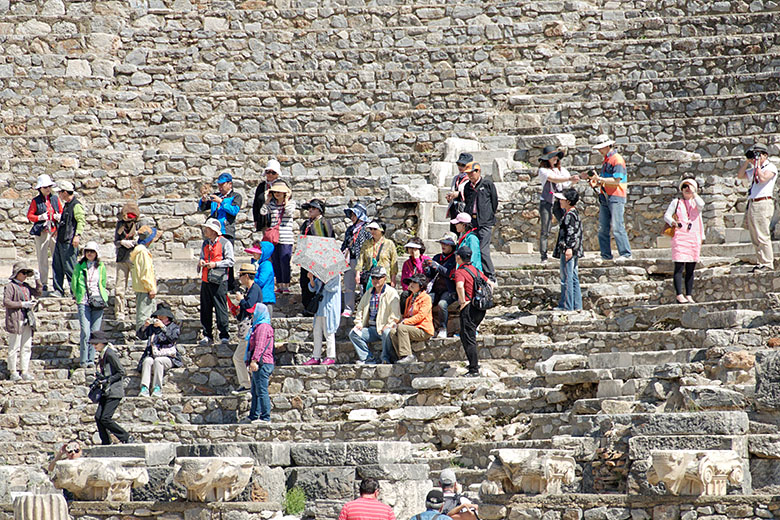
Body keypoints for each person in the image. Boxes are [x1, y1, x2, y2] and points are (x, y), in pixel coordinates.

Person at [590, 134, 632, 261]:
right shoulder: (607, 160)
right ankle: (605, 255)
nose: (599, 150)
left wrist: (600, 179)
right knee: (603, 227)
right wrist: (597, 182)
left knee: (617, 225)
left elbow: (616, 180)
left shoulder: (617, 159)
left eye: (601, 147)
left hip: (616, 196)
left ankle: (625, 254)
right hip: (606, 196)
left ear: (608, 146)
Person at [199, 172, 242, 292]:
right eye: (219, 185)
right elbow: (202, 208)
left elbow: (234, 211)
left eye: (223, 184)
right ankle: (212, 279)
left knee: (227, 257)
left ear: (230, 184)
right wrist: (203, 201)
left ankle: (230, 285)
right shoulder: (215, 196)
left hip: (226, 231)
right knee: (212, 256)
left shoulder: (236, 196)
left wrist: (221, 202)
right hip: (214, 231)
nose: (220, 187)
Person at [664, 179, 705, 303]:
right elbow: (667, 215)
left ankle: (689, 294)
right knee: (679, 265)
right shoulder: (676, 202)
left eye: (690, 186)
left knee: (691, 267)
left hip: (693, 237)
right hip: (680, 236)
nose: (687, 189)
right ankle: (679, 294)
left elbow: (702, 204)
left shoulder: (696, 203)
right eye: (685, 187)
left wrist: (694, 193)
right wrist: (673, 222)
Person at [349, 266, 400, 365]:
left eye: (378, 278)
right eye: (373, 278)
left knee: (387, 332)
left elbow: (395, 313)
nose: (375, 280)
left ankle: (385, 358)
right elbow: (360, 308)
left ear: (385, 278)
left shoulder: (391, 292)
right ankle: (368, 358)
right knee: (353, 333)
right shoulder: (369, 292)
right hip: (371, 329)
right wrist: (358, 323)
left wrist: (389, 324)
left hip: (384, 327)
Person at [738, 143, 777, 272]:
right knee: (754, 236)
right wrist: (747, 161)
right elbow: (740, 175)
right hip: (752, 203)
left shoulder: (770, 167)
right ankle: (760, 262)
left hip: (763, 202)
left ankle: (767, 263)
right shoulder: (755, 167)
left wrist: (757, 165)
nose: (756, 158)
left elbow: (762, 178)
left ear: (765, 155)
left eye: (758, 154)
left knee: (762, 235)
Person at [538, 146, 579, 262]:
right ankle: (543, 256)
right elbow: (554, 179)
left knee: (565, 225)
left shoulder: (562, 170)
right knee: (545, 229)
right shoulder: (543, 170)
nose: (555, 159)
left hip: (559, 201)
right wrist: (570, 178)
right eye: (553, 156)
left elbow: (565, 185)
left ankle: (563, 250)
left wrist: (573, 180)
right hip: (547, 201)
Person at [71, 241, 109, 368]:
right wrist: (77, 295)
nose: (89, 253)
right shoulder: (79, 266)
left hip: (98, 301)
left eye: (92, 251)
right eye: (87, 251)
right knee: (85, 331)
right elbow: (74, 283)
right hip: (84, 301)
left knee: (95, 332)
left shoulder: (101, 266)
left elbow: (103, 282)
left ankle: (91, 360)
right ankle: (83, 359)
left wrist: (103, 296)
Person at [198, 218, 235, 346]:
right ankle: (207, 334)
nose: (205, 231)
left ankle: (224, 335)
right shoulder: (205, 243)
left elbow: (230, 261)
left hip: (219, 280)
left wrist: (216, 264)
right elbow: (202, 256)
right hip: (206, 279)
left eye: (207, 229)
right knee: (205, 308)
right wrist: (201, 262)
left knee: (220, 307)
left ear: (214, 231)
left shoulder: (225, 243)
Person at [91, 331, 132, 445]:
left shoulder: (109, 354)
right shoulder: (103, 354)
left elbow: (121, 371)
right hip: (106, 391)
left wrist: (108, 379)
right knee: (98, 417)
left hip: (114, 391)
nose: (94, 346)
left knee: (105, 418)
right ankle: (105, 442)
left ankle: (125, 437)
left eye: (96, 344)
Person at [454, 246, 488, 377]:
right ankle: (472, 364)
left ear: (459, 257)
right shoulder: (476, 270)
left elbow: (459, 286)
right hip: (480, 308)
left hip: (469, 307)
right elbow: (489, 283)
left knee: (469, 338)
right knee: (466, 335)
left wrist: (463, 302)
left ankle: (474, 369)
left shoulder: (460, 272)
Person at [4, 262, 41, 381]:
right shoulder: (10, 286)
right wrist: (22, 304)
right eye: (23, 272)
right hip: (16, 319)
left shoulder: (26, 286)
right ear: (17, 273)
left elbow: (38, 293)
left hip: (27, 319)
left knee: (26, 346)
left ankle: (24, 370)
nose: (25, 275)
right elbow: (7, 302)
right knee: (14, 346)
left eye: (26, 273)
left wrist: (37, 280)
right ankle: (13, 371)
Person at [463, 162, 498, 281]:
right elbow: (467, 202)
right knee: (472, 249)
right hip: (472, 223)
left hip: (485, 223)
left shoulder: (487, 184)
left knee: (483, 250)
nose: (470, 176)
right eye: (468, 174)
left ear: (478, 171)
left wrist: (487, 216)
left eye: (472, 173)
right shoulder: (467, 187)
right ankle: (475, 274)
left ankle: (490, 275)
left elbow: (494, 202)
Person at [27, 174, 62, 294]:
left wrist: (58, 217)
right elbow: (30, 216)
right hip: (42, 232)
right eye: (45, 187)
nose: (48, 189)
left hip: (54, 231)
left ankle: (58, 283)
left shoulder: (55, 199)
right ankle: (44, 283)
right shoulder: (35, 201)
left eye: (49, 187)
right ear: (40, 188)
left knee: (56, 258)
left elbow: (61, 211)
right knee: (42, 258)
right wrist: (39, 218)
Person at [387, 273, 433, 364]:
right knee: (392, 332)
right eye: (410, 282)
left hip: (423, 329)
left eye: (414, 282)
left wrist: (405, 322)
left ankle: (408, 355)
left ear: (421, 285)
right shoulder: (410, 299)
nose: (411, 284)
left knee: (402, 328)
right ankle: (401, 356)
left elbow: (421, 315)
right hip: (412, 327)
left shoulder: (426, 298)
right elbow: (407, 315)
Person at [137, 303, 181, 397]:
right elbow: (141, 336)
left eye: (162, 317)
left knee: (158, 361)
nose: (159, 318)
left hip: (169, 357)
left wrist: (163, 327)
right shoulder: (152, 328)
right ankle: (144, 388)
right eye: (158, 316)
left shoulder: (174, 327)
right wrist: (145, 326)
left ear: (167, 317)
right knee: (147, 361)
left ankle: (157, 388)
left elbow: (173, 338)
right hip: (152, 354)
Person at [231, 263, 262, 395]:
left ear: (247, 276)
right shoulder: (251, 290)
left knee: (238, 357)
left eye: (241, 275)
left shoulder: (254, 289)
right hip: (249, 329)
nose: (240, 277)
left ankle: (246, 384)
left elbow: (250, 306)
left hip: (251, 330)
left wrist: (241, 300)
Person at [299, 199, 335, 313]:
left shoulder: (324, 222)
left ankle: (316, 307)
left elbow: (329, 240)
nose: (310, 210)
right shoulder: (306, 223)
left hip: (319, 258)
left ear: (319, 210)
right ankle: (307, 307)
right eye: (309, 208)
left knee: (316, 283)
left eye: (313, 208)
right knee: (305, 282)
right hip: (306, 258)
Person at [52, 180, 85, 298]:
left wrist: (77, 236)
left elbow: (81, 221)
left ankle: (75, 290)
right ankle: (58, 290)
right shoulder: (67, 205)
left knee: (70, 267)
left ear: (65, 192)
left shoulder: (76, 205)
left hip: (69, 241)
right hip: (61, 239)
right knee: (57, 265)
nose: (59, 195)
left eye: (60, 192)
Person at [552, 189, 584, 311]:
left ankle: (567, 306)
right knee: (574, 277)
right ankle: (576, 305)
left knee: (566, 278)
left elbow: (571, 233)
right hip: (574, 250)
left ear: (569, 201)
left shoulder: (570, 216)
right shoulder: (573, 213)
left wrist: (569, 248)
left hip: (568, 250)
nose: (560, 201)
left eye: (562, 199)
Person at [262, 182, 295, 294]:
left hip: (286, 237)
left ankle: (286, 285)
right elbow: (263, 211)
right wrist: (267, 200)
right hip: (274, 237)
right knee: (275, 261)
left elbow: (289, 212)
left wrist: (285, 201)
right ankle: (280, 284)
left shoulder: (291, 204)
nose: (277, 194)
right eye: (275, 192)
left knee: (284, 261)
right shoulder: (272, 204)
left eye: (279, 192)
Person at [340, 202, 372, 318]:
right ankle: (348, 308)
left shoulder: (367, 229)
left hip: (362, 261)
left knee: (363, 285)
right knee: (348, 285)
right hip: (350, 259)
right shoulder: (350, 229)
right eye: (351, 215)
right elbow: (344, 244)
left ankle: (363, 309)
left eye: (354, 215)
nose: (352, 217)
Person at [245, 304, 275, 423]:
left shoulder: (263, 327)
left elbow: (260, 345)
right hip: (260, 362)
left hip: (262, 363)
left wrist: (254, 360)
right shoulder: (258, 326)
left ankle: (265, 417)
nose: (252, 315)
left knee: (261, 390)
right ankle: (254, 415)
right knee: (255, 390)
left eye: (254, 312)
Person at [304, 272, 341, 366]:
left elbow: (332, 288)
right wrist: (311, 279)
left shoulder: (336, 275)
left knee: (329, 332)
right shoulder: (320, 275)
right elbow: (313, 288)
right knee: (317, 332)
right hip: (319, 308)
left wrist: (323, 278)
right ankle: (316, 356)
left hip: (330, 307)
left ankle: (331, 356)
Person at [425, 233, 458, 338]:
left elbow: (450, 273)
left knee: (442, 304)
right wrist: (427, 269)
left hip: (449, 290)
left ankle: (443, 328)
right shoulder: (437, 257)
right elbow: (431, 274)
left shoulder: (455, 258)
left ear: (452, 246)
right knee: (425, 300)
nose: (443, 246)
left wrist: (438, 266)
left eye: (446, 244)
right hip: (436, 289)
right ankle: (428, 327)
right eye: (442, 243)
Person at [113, 201, 140, 321]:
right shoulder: (120, 224)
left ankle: (139, 310)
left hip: (135, 258)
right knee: (120, 287)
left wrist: (135, 242)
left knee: (139, 286)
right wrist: (122, 242)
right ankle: (119, 311)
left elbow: (145, 240)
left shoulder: (139, 225)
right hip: (122, 258)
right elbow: (116, 241)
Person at [356, 220, 398, 291]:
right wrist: (357, 274)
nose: (372, 231)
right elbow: (361, 259)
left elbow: (394, 262)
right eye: (371, 229)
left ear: (381, 230)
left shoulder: (389, 244)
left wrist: (393, 278)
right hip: (370, 277)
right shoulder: (366, 243)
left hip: (384, 278)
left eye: (375, 229)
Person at [130, 225, 159, 331]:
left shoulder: (139, 252)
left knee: (145, 314)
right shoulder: (143, 253)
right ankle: (143, 339)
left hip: (142, 288)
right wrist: (150, 287)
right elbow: (145, 272)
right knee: (145, 316)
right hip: (145, 289)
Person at [245, 241, 276, 318]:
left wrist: (250, 279)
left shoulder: (266, 265)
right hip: (261, 299)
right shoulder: (259, 264)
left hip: (265, 299)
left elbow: (261, 282)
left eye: (257, 252)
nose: (254, 254)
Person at [400, 237, 430, 310]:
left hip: (422, 289)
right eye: (410, 248)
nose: (411, 250)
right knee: (404, 295)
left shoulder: (426, 260)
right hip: (411, 289)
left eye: (414, 248)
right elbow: (403, 280)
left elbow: (422, 274)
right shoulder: (406, 263)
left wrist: (417, 259)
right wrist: (409, 288)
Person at [252, 159, 282, 232]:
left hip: (277, 221)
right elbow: (256, 204)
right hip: (264, 221)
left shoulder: (281, 185)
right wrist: (256, 220)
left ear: (277, 174)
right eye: (268, 172)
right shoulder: (261, 186)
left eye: (273, 172)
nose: (270, 174)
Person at [446, 153, 473, 233]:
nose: (460, 167)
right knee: (453, 233)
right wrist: (450, 196)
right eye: (459, 164)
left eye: (463, 165)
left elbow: (471, 194)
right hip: (455, 210)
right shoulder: (456, 178)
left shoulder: (471, 178)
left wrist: (459, 194)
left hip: (464, 210)